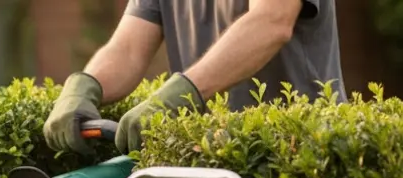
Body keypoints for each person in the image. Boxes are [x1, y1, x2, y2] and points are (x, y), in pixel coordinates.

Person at [45, 0, 345, 155]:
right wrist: (83, 88)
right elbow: (128, 49)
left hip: (301, 154)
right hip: (214, 159)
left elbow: (271, 21)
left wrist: (178, 94)